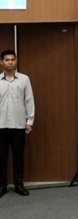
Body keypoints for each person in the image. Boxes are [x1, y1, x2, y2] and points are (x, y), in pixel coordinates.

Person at [0, 49, 35, 197]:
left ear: (16, 61)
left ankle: (19, 185)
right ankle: (2, 186)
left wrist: (30, 121)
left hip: (19, 125)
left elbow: (29, 100)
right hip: (0, 125)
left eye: (12, 59)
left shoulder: (24, 79)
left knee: (18, 157)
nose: (10, 62)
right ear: (2, 62)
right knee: (1, 158)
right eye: (7, 60)